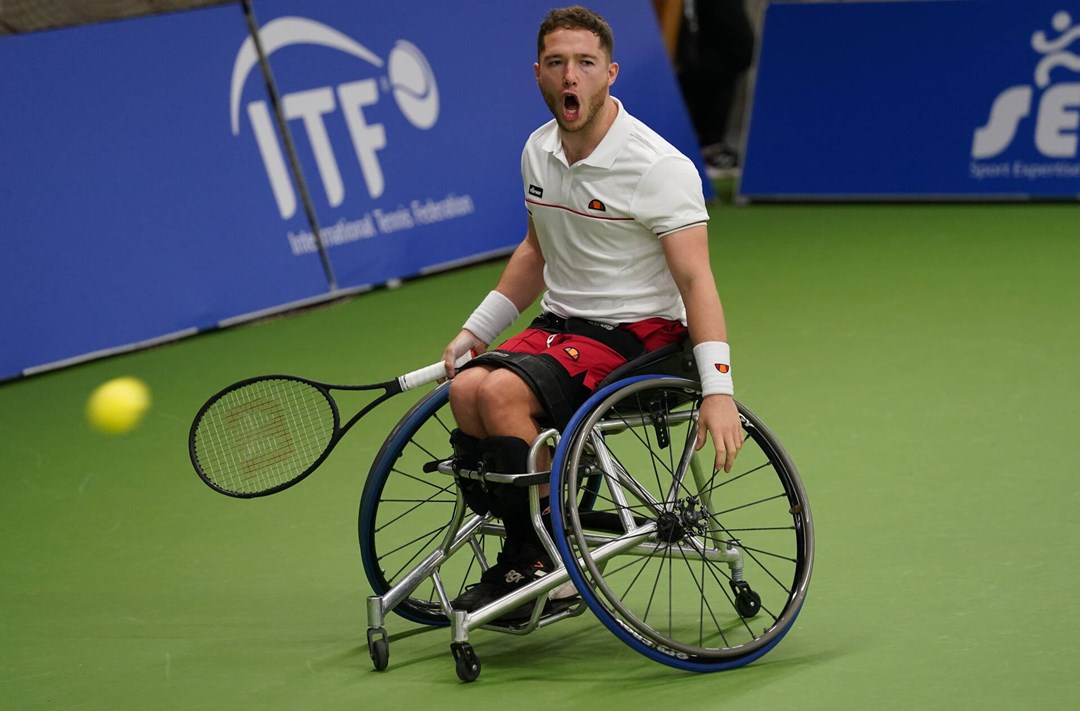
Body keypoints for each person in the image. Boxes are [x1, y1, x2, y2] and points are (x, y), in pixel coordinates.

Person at [440, 5, 743, 620]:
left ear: (610, 73)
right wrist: (477, 329)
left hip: (641, 334)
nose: (570, 76)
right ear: (538, 75)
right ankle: (533, 545)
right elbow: (534, 253)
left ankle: (544, 565)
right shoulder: (538, 150)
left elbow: (696, 279)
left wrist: (719, 390)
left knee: (500, 397)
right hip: (562, 327)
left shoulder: (657, 166)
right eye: (557, 63)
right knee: (467, 388)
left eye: (584, 63)